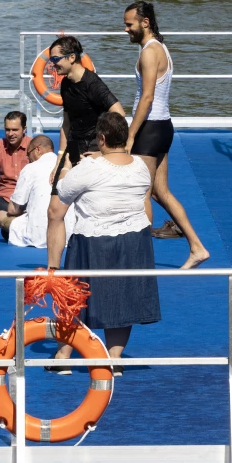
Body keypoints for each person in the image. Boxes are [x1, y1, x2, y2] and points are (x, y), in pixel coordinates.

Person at [47, 112, 158, 376]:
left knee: (74, 298)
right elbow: (119, 169)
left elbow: (62, 192)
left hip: (93, 240)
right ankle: (113, 358)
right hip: (135, 241)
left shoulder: (88, 168)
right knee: (125, 299)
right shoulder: (141, 167)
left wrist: (67, 168)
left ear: (102, 138)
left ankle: (64, 355)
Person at [123, 2, 209, 269]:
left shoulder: (150, 53)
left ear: (145, 22)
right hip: (163, 127)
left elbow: (146, 98)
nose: (126, 29)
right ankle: (197, 247)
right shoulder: (162, 49)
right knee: (160, 192)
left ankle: (141, 259)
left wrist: (129, 136)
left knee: (141, 194)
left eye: (129, 24)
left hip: (149, 130)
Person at [44, 36, 126, 245]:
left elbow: (119, 114)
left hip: (93, 148)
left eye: (55, 59)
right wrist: (59, 160)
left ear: (72, 57)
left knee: (89, 208)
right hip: (73, 147)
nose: (52, 64)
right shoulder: (65, 85)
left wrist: (105, 152)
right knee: (54, 211)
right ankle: (53, 272)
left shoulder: (93, 84)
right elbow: (67, 124)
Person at [0, 134, 71, 248]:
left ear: (38, 150)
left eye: (28, 155)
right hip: (67, 234)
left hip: (38, 235)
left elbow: (13, 209)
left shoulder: (31, 168)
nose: (28, 160)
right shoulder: (68, 166)